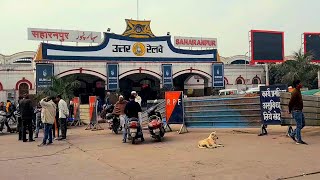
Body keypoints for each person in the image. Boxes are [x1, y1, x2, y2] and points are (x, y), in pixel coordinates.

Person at [288, 80, 307, 145]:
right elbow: (291, 102)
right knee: (299, 126)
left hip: (299, 110)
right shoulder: (295, 92)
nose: (301, 84)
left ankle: (292, 134)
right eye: (299, 83)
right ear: (296, 85)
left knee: (303, 124)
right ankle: (299, 140)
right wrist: (290, 110)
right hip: (296, 111)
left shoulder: (298, 91)